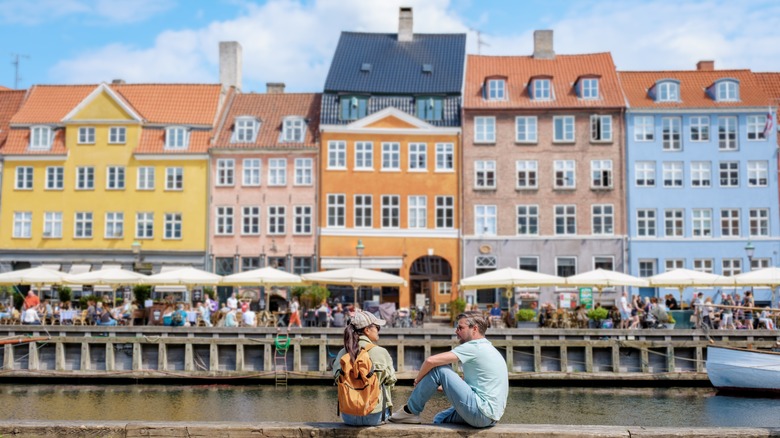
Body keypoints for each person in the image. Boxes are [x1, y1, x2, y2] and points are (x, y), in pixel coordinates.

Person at [389, 311, 508, 428]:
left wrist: (418, 380)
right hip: (491, 417)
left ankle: (410, 411)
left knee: (439, 369)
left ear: (474, 329)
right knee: (440, 419)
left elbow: (431, 361)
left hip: (481, 412)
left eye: (460, 328)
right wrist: (440, 385)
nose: (456, 332)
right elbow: (474, 383)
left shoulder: (474, 346)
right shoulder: (488, 348)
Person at [333, 310, 396, 426]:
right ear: (367, 330)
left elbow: (337, 379)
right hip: (375, 416)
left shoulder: (343, 352)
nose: (378, 331)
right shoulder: (381, 352)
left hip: (348, 416)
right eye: (377, 327)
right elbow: (391, 381)